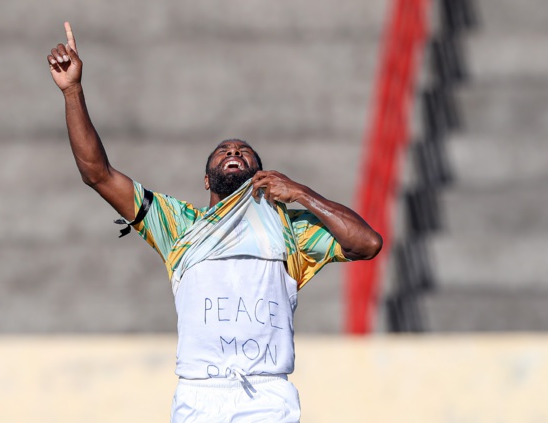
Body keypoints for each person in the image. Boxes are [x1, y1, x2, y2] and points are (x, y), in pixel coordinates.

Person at [48, 22, 382, 422]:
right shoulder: (179, 225)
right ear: (207, 179)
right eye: (223, 150)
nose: (234, 151)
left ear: (261, 172)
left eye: (244, 151)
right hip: (199, 394)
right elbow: (97, 174)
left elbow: (368, 244)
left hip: (268, 393)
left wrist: (301, 194)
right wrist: (72, 92)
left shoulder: (290, 227)